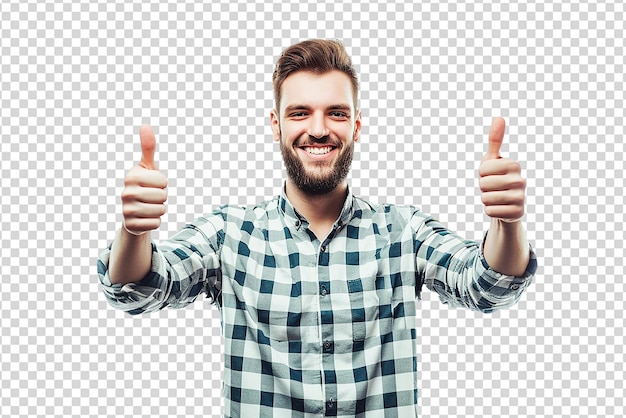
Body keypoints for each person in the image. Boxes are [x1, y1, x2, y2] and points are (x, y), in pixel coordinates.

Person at [98, 39, 537, 417]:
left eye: (337, 114)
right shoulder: (230, 234)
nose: (318, 129)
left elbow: (486, 286)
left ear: (357, 125)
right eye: (300, 113)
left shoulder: (403, 231)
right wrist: (135, 231)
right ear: (276, 125)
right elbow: (138, 289)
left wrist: (508, 223)